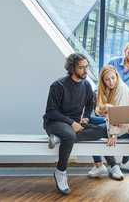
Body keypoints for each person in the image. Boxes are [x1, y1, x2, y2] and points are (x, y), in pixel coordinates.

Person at [43, 53, 105, 195]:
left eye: (86, 67)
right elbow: (51, 111)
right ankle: (60, 171)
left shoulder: (87, 85)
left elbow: (91, 102)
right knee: (70, 135)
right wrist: (71, 123)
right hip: (55, 122)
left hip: (74, 124)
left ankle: (60, 138)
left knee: (99, 131)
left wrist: (86, 118)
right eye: (81, 68)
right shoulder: (58, 85)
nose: (85, 70)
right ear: (72, 68)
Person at [88, 65, 129, 180]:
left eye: (113, 78)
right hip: (112, 120)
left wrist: (112, 135)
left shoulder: (121, 88)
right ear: (103, 80)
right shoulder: (105, 88)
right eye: (107, 79)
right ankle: (102, 165)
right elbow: (98, 111)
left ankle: (112, 166)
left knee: (92, 133)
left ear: (117, 76)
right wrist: (106, 107)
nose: (111, 82)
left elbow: (119, 117)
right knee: (88, 121)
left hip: (124, 126)